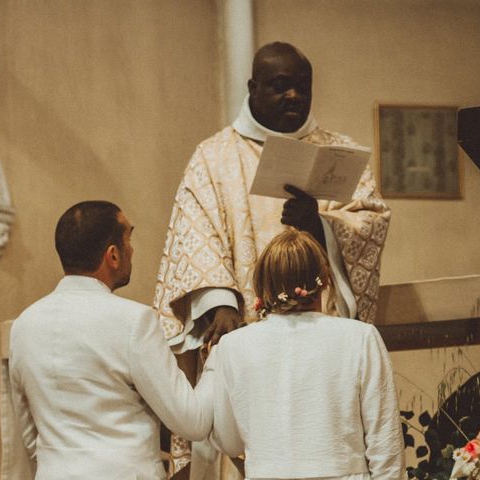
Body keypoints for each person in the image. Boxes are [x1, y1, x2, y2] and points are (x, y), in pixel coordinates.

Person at [153, 41, 391, 477]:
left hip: (323, 348)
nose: (294, 97)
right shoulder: (213, 158)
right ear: (253, 87)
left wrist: (320, 224)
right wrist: (221, 303)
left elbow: (371, 223)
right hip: (247, 336)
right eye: (281, 87)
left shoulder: (337, 151)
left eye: (303, 87)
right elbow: (195, 235)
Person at [9, 201, 213, 479]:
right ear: (113, 255)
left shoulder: (24, 325)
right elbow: (192, 422)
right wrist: (217, 357)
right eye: (129, 238)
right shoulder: (134, 321)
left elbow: (27, 431)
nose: (133, 249)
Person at [201, 226, 405, 480]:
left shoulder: (232, 347)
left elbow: (229, 442)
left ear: (262, 287)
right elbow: (386, 445)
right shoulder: (360, 338)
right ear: (325, 280)